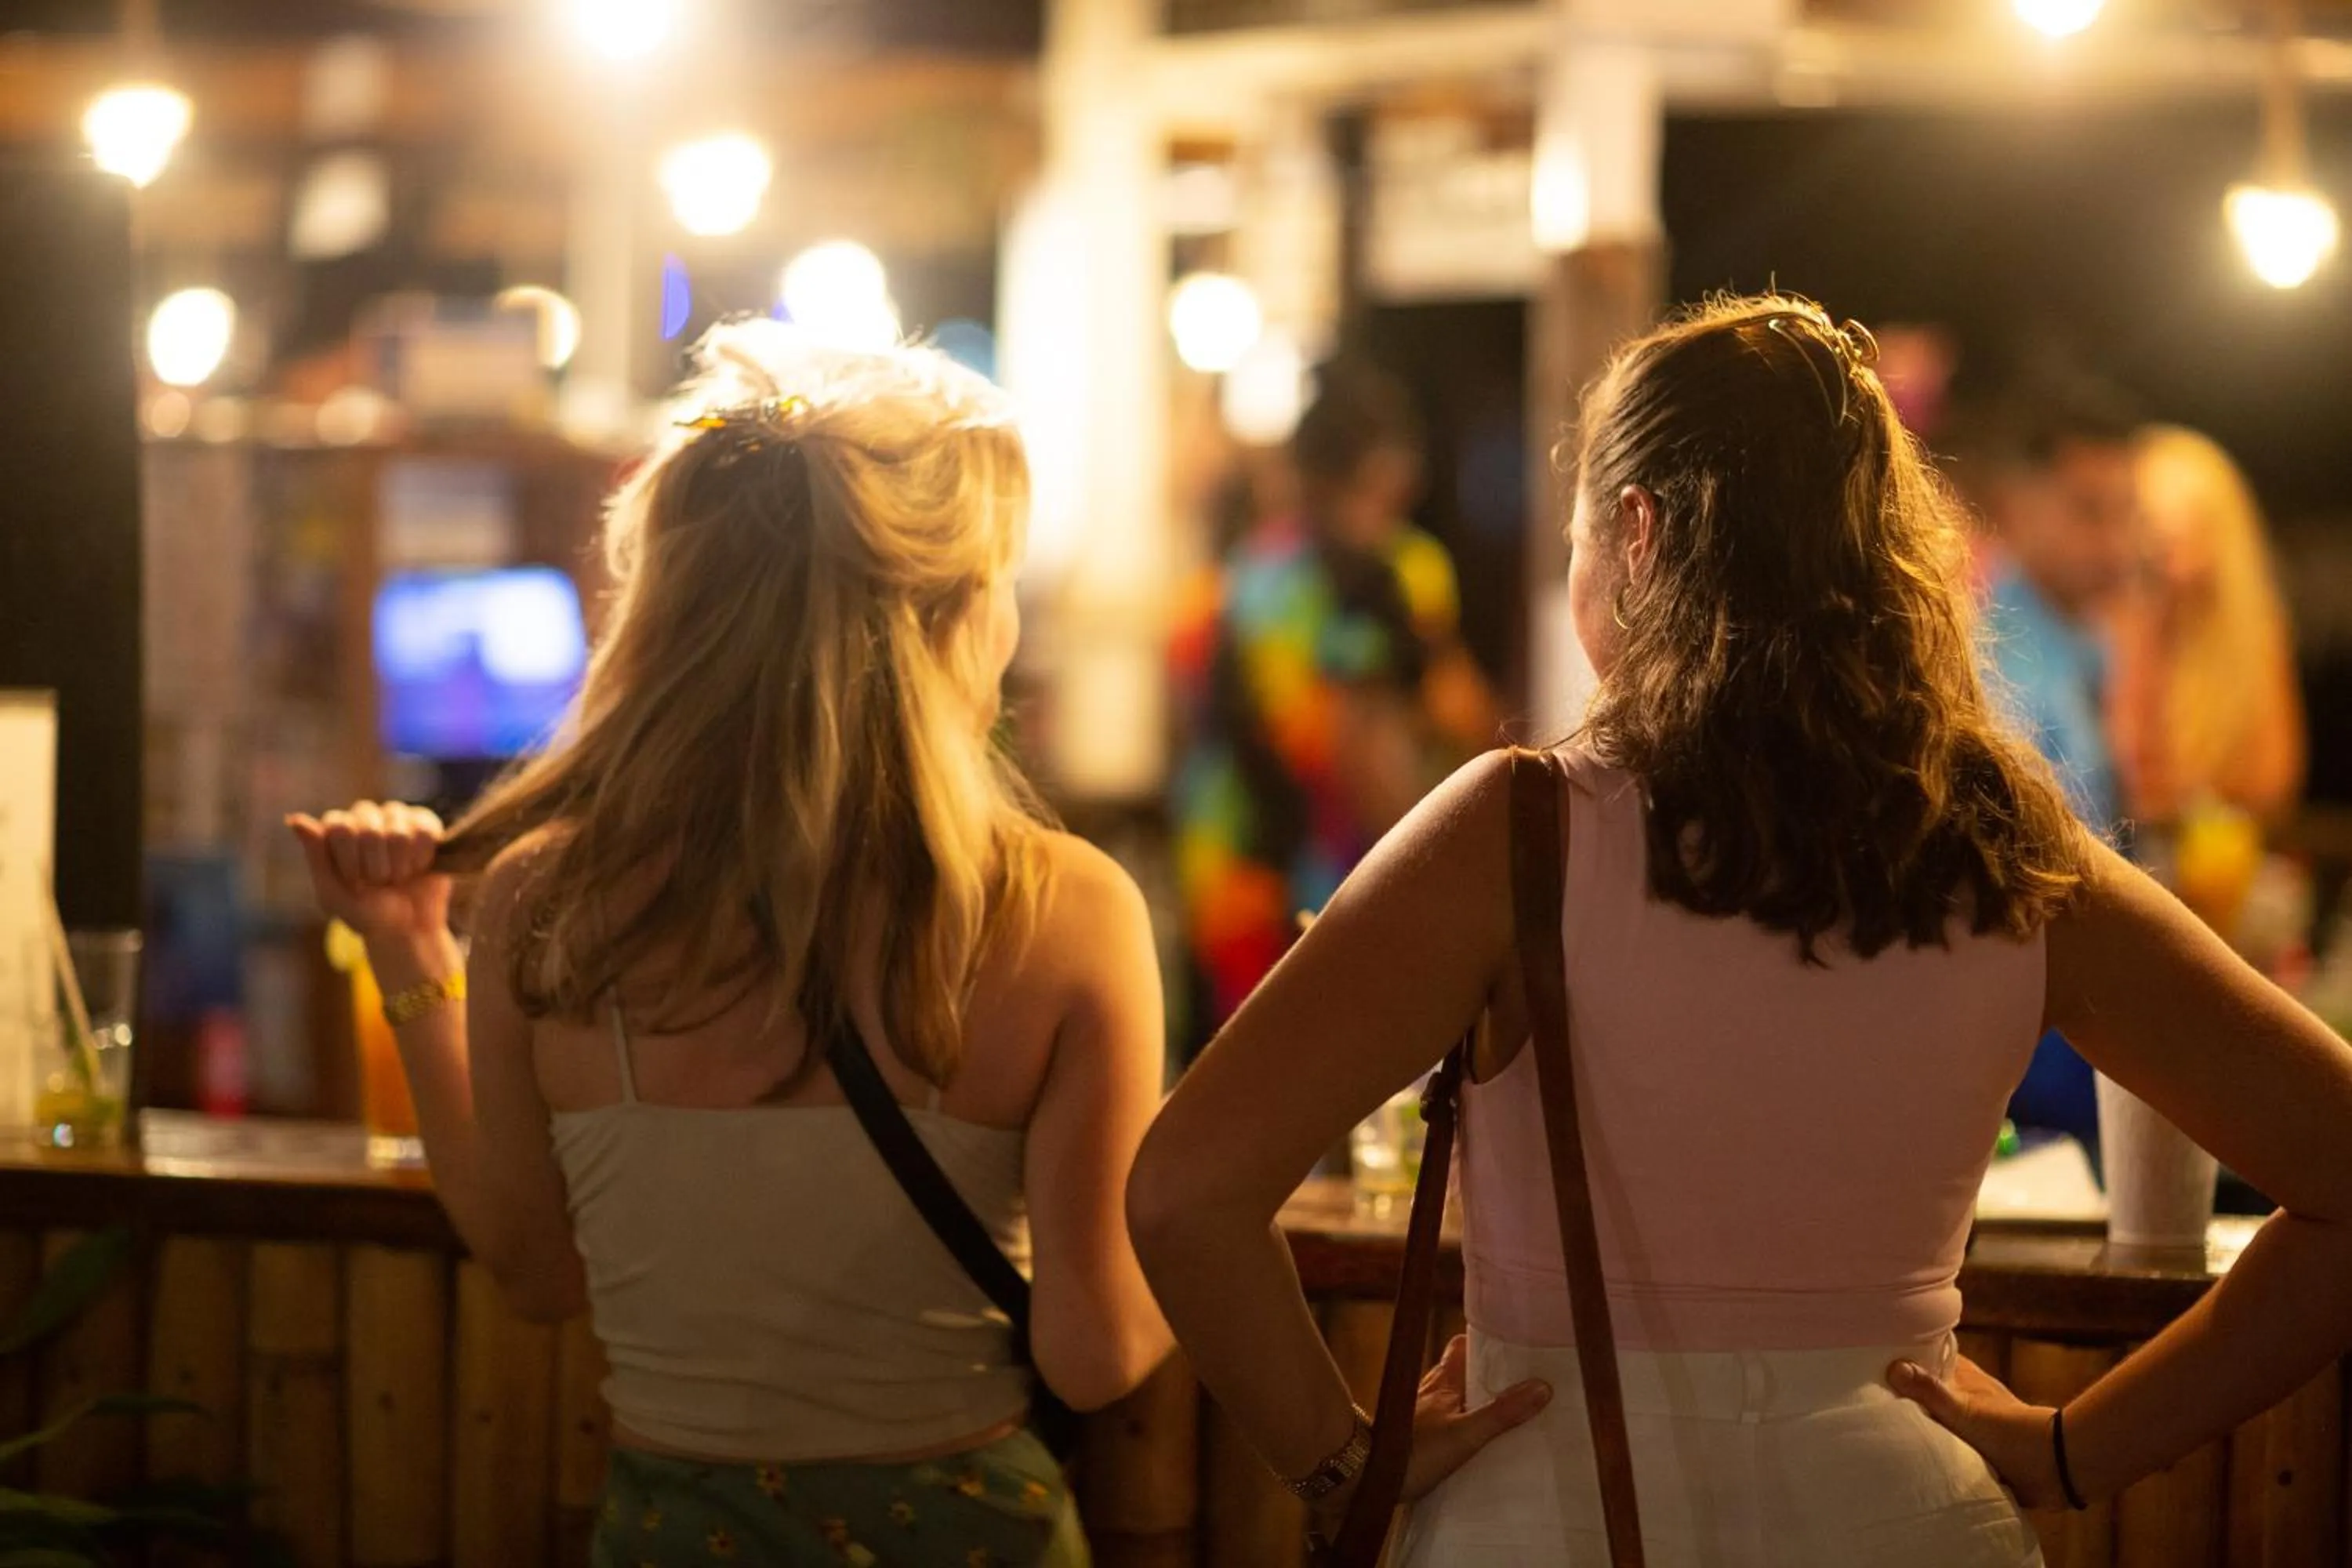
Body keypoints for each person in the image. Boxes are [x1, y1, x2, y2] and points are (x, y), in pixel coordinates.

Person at [1126, 296, 2352, 1565]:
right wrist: (2073, 1449)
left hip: (1554, 1518)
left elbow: (1182, 1193)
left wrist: (1338, 1459)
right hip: (1912, 1525)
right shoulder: (2006, 847)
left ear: (1639, 532)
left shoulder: (1520, 833)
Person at [289, 324, 1171, 1567]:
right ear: (947, 613)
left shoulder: (546, 903)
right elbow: (1099, 1353)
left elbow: (535, 1270)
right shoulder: (1061, 911)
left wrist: (405, 951)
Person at [1170, 359, 1496, 1041]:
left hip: (1228, 884)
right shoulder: (1398, 569)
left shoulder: (1240, 575)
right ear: (1388, 469)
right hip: (1336, 887)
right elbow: (1430, 725)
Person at [1971, 370, 2147, 1151]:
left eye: (2125, 513)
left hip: (2086, 1006)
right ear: (2013, 505)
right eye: (2088, 511)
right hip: (2033, 1046)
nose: (2116, 544)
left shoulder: (2088, 645)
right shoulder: (1987, 661)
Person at [2109, 425, 2307, 828]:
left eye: (2184, 518)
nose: (2162, 539)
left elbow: (2272, 787)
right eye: (2146, 518)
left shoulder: (2255, 639)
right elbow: (2111, 771)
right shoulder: (2104, 628)